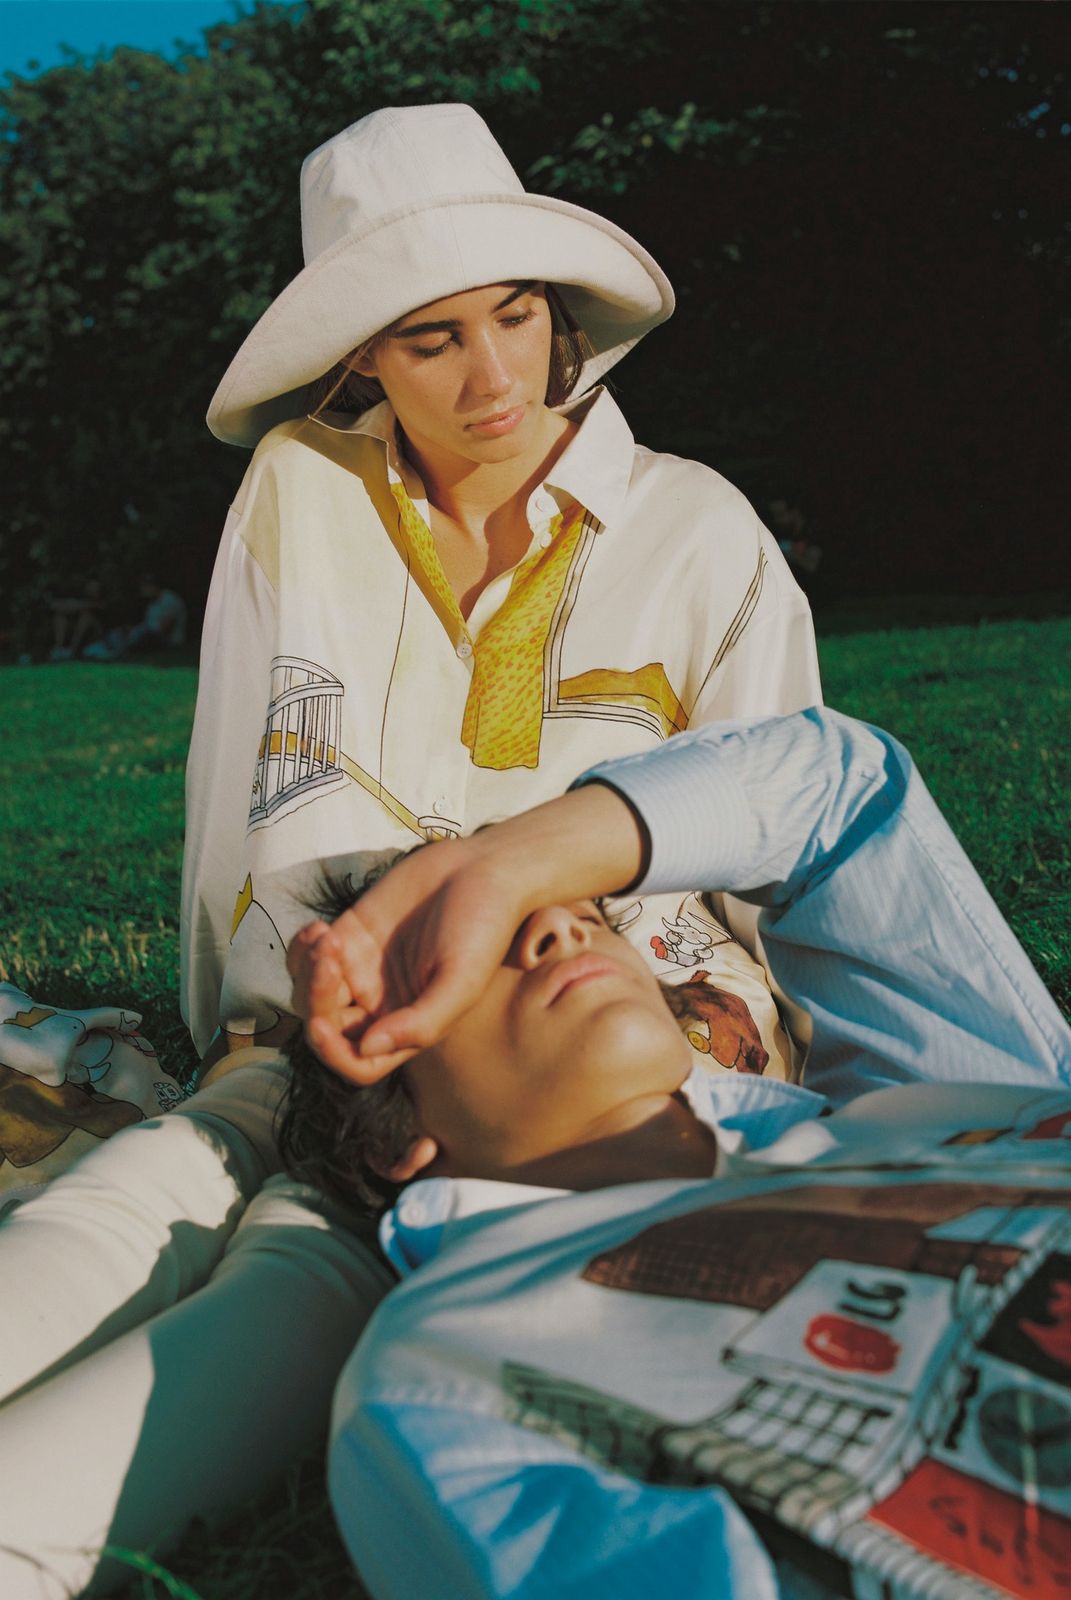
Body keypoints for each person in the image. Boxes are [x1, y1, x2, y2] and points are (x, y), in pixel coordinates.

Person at [0, 101, 820, 1597]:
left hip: (590, 1047)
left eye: (514, 314)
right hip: (338, 1015)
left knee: (304, 1270)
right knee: (184, 1173)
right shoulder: (298, 493)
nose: (492, 373)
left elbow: (786, 828)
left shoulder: (696, 529)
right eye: (429, 336)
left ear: (558, 312)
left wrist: (735, 1051)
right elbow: (238, 791)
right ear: (361, 355)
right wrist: (248, 1050)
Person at [275, 710, 1071, 1600]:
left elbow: (838, 797)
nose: (554, 920)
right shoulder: (454, 1361)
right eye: (441, 960)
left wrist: (505, 863)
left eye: (571, 905)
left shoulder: (916, 1103)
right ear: (397, 1129)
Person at [81, 574, 188, 660]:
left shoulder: (170, 600)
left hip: (166, 640)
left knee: (139, 635)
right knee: (118, 632)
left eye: (144, 587)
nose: (142, 591)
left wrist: (138, 631)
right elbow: (147, 624)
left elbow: (164, 629)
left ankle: (116, 651)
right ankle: (103, 649)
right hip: (147, 633)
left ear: (153, 586)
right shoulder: (151, 604)